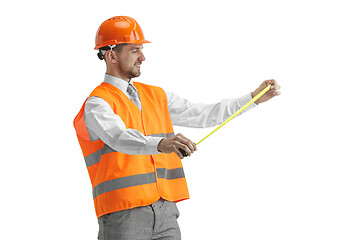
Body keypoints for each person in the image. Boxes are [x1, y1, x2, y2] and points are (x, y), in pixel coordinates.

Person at [73, 16, 280, 240]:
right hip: (122, 213)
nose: (143, 57)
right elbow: (119, 137)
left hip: (166, 212)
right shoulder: (97, 103)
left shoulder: (156, 96)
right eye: (134, 50)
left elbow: (203, 114)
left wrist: (252, 99)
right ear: (111, 55)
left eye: (141, 49)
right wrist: (161, 144)